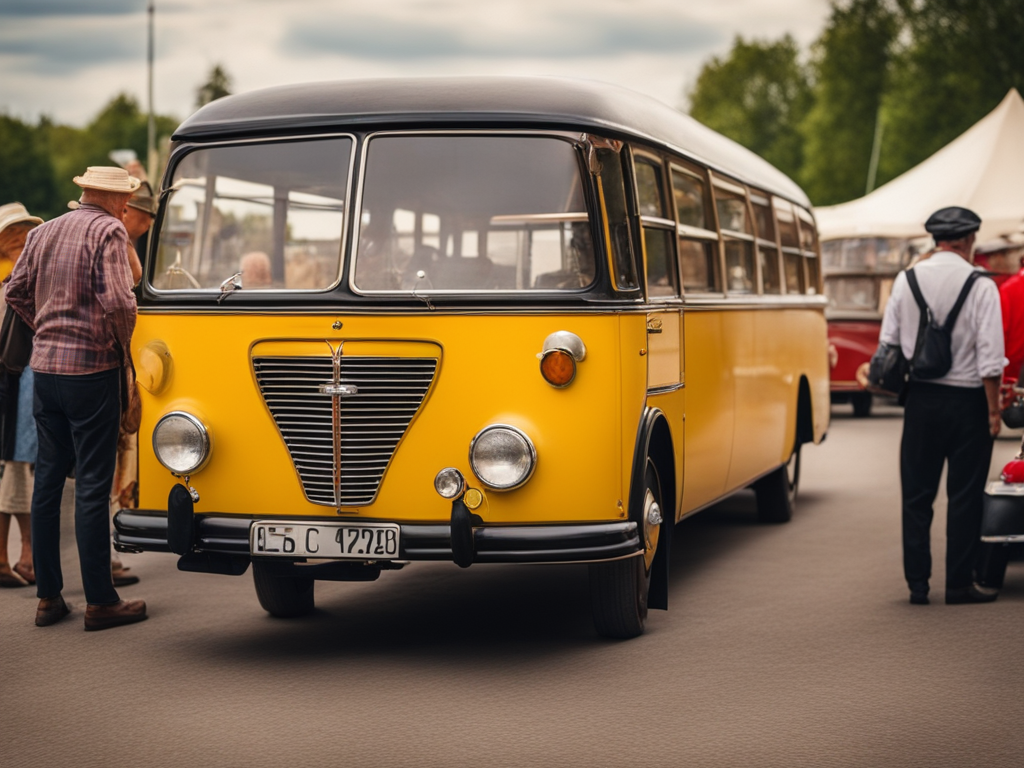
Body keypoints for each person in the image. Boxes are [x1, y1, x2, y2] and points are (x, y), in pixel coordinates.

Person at [6, 166, 148, 630]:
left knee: (48, 480)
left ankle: (48, 598)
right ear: (113, 200)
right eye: (125, 199)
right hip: (91, 371)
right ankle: (100, 601)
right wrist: (121, 350)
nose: (127, 207)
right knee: (92, 482)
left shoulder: (45, 231)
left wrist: (45, 329)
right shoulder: (107, 231)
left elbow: (15, 292)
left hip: (45, 370)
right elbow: (119, 303)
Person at [878, 206, 1004, 606]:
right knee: (965, 495)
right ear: (968, 241)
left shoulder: (906, 280)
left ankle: (918, 585)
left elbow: (890, 342)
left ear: (937, 240)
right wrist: (994, 411)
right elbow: (991, 357)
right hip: (968, 402)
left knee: (916, 495)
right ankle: (959, 585)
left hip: (922, 400)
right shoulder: (982, 285)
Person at [0, 203, 42, 588]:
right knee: (17, 468)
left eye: (24, 230)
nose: (20, 237)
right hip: (15, 382)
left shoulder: (23, 274)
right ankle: (24, 556)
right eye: (13, 232)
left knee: (15, 467)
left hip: (20, 380)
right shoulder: (16, 279)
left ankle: (18, 557)